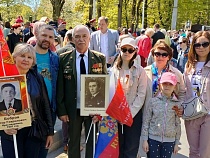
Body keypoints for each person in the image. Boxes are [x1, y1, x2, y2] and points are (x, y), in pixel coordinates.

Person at [57, 25, 107, 158]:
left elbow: (103, 86)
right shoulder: (63, 58)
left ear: (89, 38)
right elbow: (60, 86)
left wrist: (100, 110)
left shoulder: (99, 58)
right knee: (73, 142)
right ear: (72, 39)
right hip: (72, 108)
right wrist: (62, 110)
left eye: (84, 36)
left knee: (91, 141)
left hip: (92, 109)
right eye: (77, 36)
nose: (81, 39)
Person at [0, 43, 54, 158]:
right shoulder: (4, 78)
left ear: (33, 61)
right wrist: (3, 126)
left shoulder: (37, 77)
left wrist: (50, 131)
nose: (26, 60)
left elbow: (45, 105)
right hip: (11, 131)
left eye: (29, 57)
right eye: (22, 56)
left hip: (33, 130)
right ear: (14, 57)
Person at [110, 37, 148, 157]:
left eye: (130, 50)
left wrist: (129, 114)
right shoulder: (112, 70)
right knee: (116, 148)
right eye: (124, 49)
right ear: (119, 50)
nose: (126, 52)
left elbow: (141, 95)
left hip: (133, 115)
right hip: (115, 114)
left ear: (135, 51)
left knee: (130, 148)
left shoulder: (141, 71)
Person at [142, 72, 181, 158]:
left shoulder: (176, 104)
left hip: (169, 141)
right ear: (160, 85)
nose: (167, 86)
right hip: (153, 139)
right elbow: (146, 121)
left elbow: (178, 124)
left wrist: (177, 142)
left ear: (174, 86)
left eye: (170, 84)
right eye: (164, 84)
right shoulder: (153, 102)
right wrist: (145, 139)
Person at [184, 31, 210, 158]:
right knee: (193, 151)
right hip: (192, 113)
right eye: (197, 45)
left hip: (208, 114)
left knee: (205, 152)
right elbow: (184, 89)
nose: (201, 47)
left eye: (205, 44)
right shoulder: (189, 65)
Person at [34, 24, 59, 126]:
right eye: (44, 35)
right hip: (32, 108)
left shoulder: (55, 58)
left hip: (49, 108)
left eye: (50, 37)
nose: (47, 39)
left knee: (48, 140)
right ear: (37, 35)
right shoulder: (26, 56)